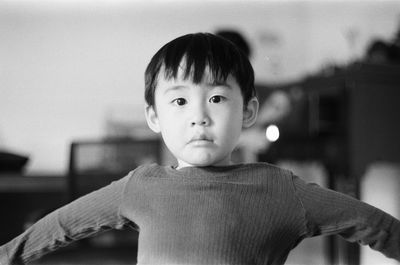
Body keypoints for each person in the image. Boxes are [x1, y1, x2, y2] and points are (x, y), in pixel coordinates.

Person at [1, 32, 400, 265]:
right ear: (153, 117)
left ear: (248, 111)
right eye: (179, 101)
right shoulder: (140, 186)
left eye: (217, 99)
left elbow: (377, 226)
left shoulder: (282, 190)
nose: (199, 117)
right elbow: (59, 227)